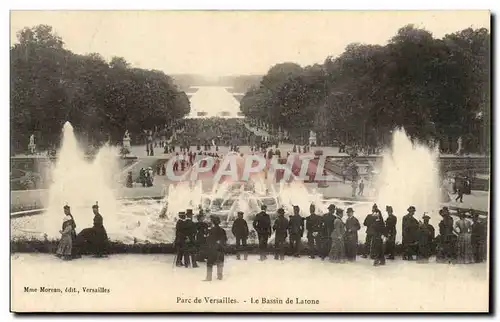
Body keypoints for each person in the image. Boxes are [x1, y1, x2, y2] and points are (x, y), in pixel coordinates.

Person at [204, 216, 227, 282]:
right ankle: (220, 276)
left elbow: (208, 240)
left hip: (213, 249)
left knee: (209, 263)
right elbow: (225, 239)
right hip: (220, 249)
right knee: (220, 262)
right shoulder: (222, 230)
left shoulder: (211, 230)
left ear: (213, 223)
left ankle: (209, 277)